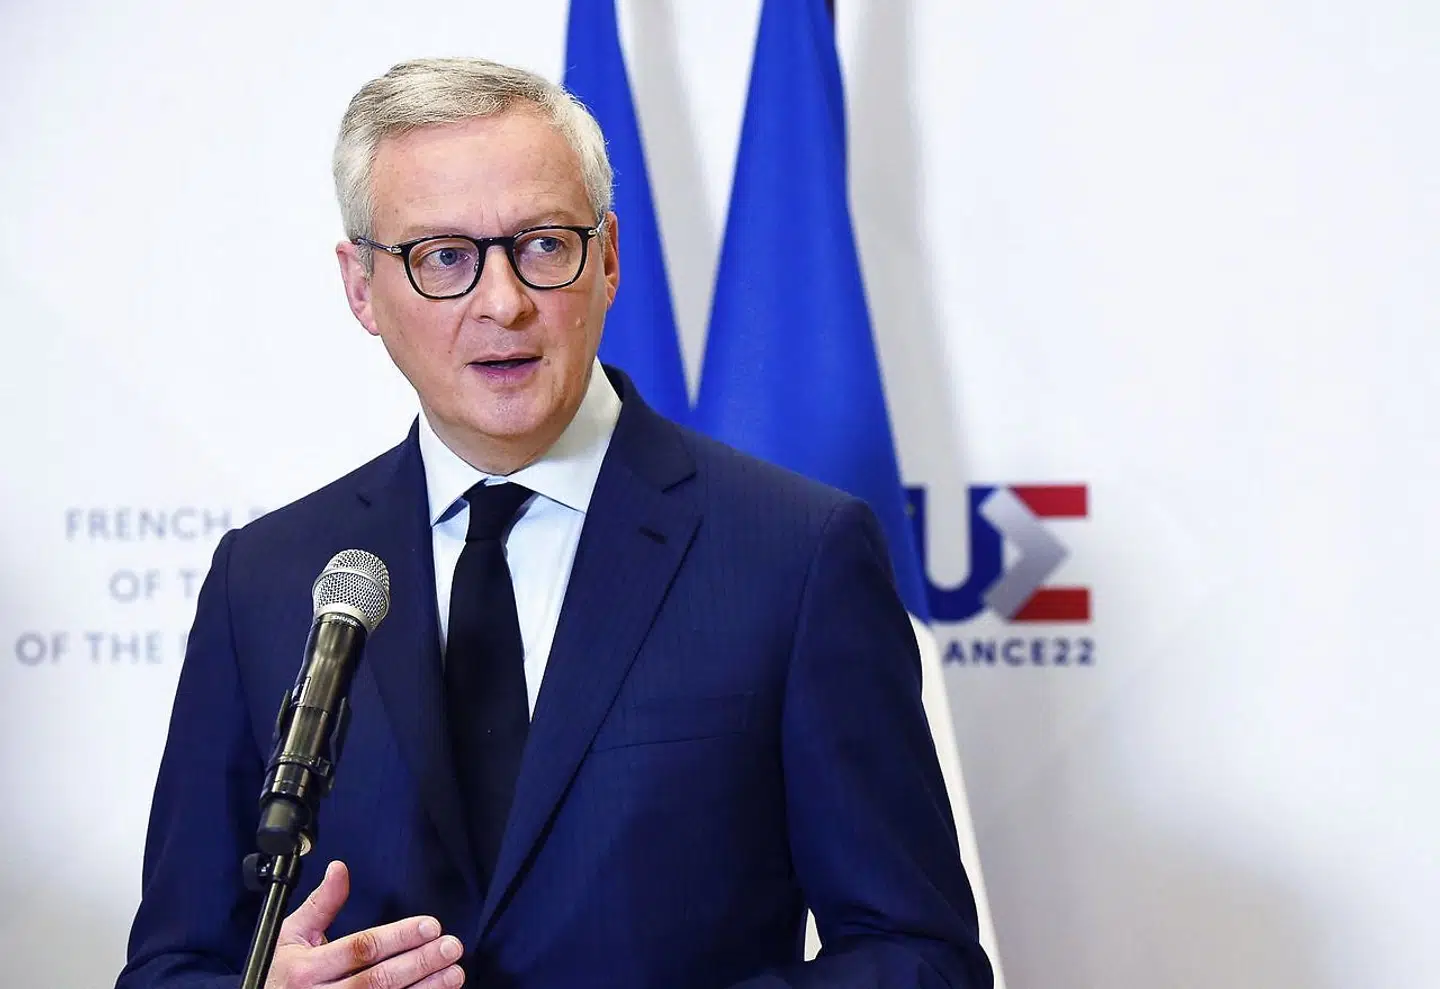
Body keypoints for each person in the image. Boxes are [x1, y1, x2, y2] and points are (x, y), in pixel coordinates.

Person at [116, 57, 993, 989]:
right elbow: (173, 963)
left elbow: (920, 958)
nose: (503, 301)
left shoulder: (796, 554)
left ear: (608, 257)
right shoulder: (269, 575)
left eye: (542, 245)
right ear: (362, 286)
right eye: (444, 256)